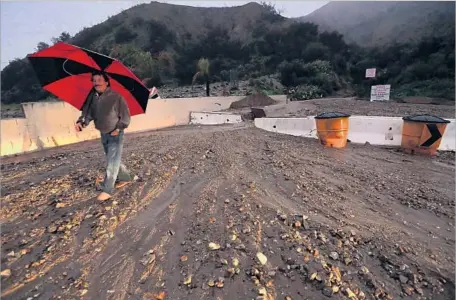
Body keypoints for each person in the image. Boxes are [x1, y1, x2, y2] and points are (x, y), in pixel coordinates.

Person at [75, 71, 133, 201]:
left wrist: (118, 129)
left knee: (112, 161)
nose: (96, 83)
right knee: (112, 158)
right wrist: (81, 122)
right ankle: (126, 177)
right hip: (103, 133)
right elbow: (88, 113)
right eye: (94, 80)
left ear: (107, 82)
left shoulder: (116, 97)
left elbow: (125, 117)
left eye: (99, 80)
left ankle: (108, 189)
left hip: (115, 133)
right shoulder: (93, 97)